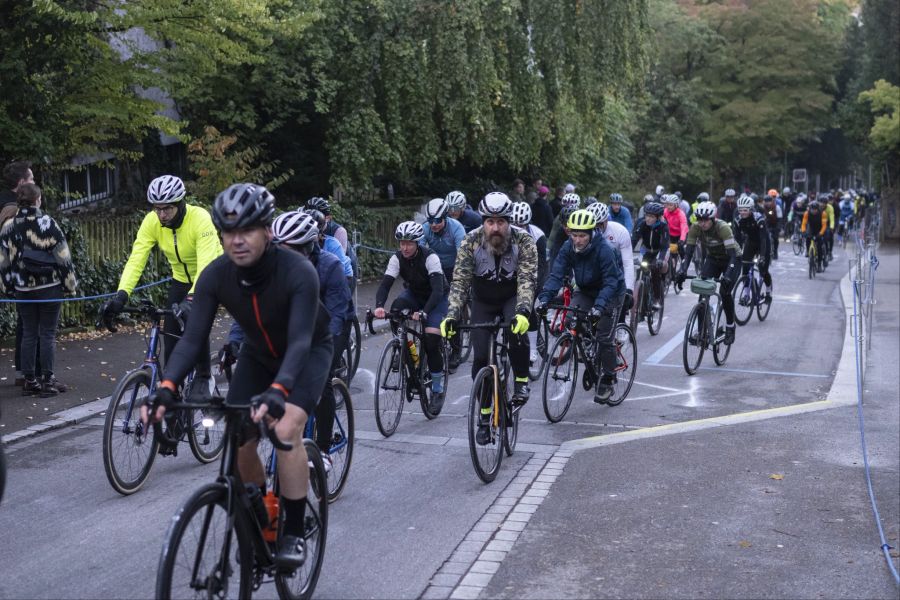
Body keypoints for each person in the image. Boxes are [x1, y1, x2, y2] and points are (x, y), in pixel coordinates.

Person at [143, 183, 332, 570]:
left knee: (284, 431)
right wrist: (166, 387)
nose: (237, 241)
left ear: (267, 231)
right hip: (259, 356)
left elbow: (298, 342)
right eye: (229, 233)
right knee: (241, 435)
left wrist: (280, 390)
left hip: (307, 352)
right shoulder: (215, 276)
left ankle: (294, 531)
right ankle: (264, 514)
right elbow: (192, 338)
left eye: (246, 231)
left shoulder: (298, 272)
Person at [101, 175, 222, 393]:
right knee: (171, 340)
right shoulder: (152, 221)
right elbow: (137, 258)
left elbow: (206, 263)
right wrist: (121, 295)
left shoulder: (200, 218)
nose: (161, 214)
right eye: (157, 209)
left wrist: (193, 298)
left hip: (211, 278)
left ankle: (205, 375)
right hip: (180, 280)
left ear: (180, 203)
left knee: (197, 323)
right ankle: (172, 397)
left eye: (166, 209)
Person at [441, 193, 537, 444]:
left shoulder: (524, 241)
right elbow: (460, 281)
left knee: (517, 330)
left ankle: (521, 381)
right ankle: (484, 416)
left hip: (511, 297)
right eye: (490, 222)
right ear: (483, 222)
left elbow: (527, 280)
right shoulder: (470, 242)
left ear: (509, 222)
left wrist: (524, 311)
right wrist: (451, 315)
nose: (495, 227)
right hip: (483, 300)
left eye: (501, 222)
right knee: (481, 357)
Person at [270, 210, 352, 469]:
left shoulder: (330, 266)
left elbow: (336, 314)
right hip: (296, 325)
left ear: (307, 246)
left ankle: (324, 450)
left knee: (322, 381)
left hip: (330, 327)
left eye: (290, 249)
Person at [537, 209, 624, 403]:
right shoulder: (568, 247)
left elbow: (611, 282)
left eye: (582, 235)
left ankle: (609, 378)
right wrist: (544, 298)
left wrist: (599, 308)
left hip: (610, 292)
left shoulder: (604, 249)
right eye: (574, 235)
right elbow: (556, 275)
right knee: (570, 320)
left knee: (603, 337)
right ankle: (588, 348)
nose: (577, 240)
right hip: (585, 290)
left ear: (592, 232)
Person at [0, 183, 77, 396]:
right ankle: (48, 380)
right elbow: (63, 257)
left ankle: (29, 380)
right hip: (49, 287)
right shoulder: (48, 223)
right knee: (48, 334)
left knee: (29, 334)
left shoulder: (8, 227)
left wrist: (7, 287)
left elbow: (3, 261)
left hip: (23, 289)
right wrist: (70, 285)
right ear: (38, 200)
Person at [374, 221, 449, 412]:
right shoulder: (397, 258)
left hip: (436, 298)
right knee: (396, 310)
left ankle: (437, 390)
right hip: (415, 294)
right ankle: (405, 350)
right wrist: (379, 307)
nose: (404, 247)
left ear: (417, 243)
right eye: (401, 243)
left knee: (431, 338)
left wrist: (424, 312)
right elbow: (385, 285)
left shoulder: (430, 257)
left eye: (409, 243)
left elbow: (438, 290)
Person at [674, 201, 741, 346]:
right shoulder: (695, 228)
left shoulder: (722, 228)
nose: (702, 223)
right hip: (713, 259)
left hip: (732, 259)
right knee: (702, 291)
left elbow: (733, 255)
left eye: (705, 220)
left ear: (712, 219)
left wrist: (728, 275)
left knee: (725, 292)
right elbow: (689, 251)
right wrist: (682, 270)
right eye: (699, 219)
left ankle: (730, 326)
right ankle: (701, 332)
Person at [1, 161, 40, 386]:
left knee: (25, 323)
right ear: (21, 183)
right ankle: (30, 374)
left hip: (11, 274)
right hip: (21, 274)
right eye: (31, 179)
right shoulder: (12, 209)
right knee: (29, 325)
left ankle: (26, 373)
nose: (34, 182)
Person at [587, 203, 634, 338]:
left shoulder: (620, 231)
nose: (596, 229)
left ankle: (621, 322)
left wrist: (629, 289)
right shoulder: (585, 233)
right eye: (593, 225)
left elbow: (627, 262)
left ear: (607, 220)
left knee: (620, 295)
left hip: (617, 268)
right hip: (595, 270)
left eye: (600, 224)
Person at [306, 196, 358, 285]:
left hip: (346, 272)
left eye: (318, 216)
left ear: (328, 217)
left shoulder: (339, 231)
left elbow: (338, 261)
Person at [732, 194, 773, 303]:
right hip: (751, 242)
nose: (742, 212)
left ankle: (768, 291)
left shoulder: (759, 219)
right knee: (745, 268)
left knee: (763, 270)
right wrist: (737, 254)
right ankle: (746, 294)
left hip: (763, 242)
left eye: (745, 210)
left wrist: (763, 256)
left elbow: (763, 239)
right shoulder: (738, 220)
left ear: (751, 209)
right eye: (740, 210)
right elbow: (737, 239)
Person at [631, 201, 669, 311]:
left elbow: (665, 246)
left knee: (656, 272)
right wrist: (627, 254)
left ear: (658, 218)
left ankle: (657, 299)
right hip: (648, 251)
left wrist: (661, 260)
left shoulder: (663, 226)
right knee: (642, 270)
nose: (648, 219)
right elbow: (634, 240)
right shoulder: (642, 224)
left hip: (660, 251)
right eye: (647, 215)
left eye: (651, 217)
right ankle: (638, 296)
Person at [420, 198, 465, 282]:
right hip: (434, 268)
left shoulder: (457, 228)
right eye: (430, 220)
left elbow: (462, 254)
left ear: (445, 217)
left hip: (453, 268)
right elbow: (419, 251)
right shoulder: (425, 228)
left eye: (438, 220)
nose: (433, 225)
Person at [511, 202, 548, 289]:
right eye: (513, 225)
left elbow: (540, 266)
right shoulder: (502, 232)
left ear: (527, 224)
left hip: (533, 267)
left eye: (520, 226)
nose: (517, 229)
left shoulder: (538, 236)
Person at [548, 192, 581, 265]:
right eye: (564, 224)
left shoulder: (581, 220)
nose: (567, 228)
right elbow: (553, 238)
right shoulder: (559, 219)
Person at [801, 200, 827, 272]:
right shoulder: (807, 213)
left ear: (818, 209)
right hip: (811, 228)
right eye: (812, 209)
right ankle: (807, 250)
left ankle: (819, 265)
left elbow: (824, 225)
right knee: (808, 238)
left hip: (820, 228)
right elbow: (803, 224)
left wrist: (821, 233)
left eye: (815, 209)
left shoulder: (823, 213)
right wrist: (803, 231)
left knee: (819, 246)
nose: (814, 211)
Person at [663, 194, 688, 261]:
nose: (668, 207)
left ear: (676, 205)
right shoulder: (665, 211)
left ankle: (684, 265)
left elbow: (683, 227)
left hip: (680, 234)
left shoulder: (681, 214)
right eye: (667, 204)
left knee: (680, 248)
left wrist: (682, 239)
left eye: (671, 205)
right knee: (667, 249)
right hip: (670, 233)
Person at [762, 193, 782, 260]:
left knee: (775, 238)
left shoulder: (777, 207)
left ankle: (775, 251)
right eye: (766, 201)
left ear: (772, 201)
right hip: (767, 223)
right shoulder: (762, 207)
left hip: (775, 223)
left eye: (769, 201)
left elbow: (779, 218)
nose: (767, 203)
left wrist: (778, 228)